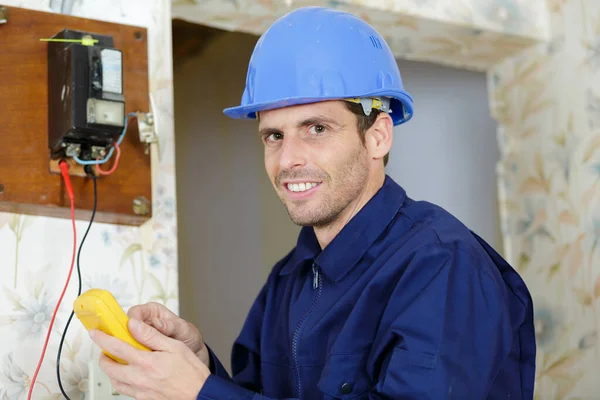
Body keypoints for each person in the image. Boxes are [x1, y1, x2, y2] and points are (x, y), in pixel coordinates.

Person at [89, 6, 536, 399]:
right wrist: (198, 364)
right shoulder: (289, 280)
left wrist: (200, 394)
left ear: (377, 135)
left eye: (316, 128)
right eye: (274, 136)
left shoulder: (441, 264)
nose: (288, 159)